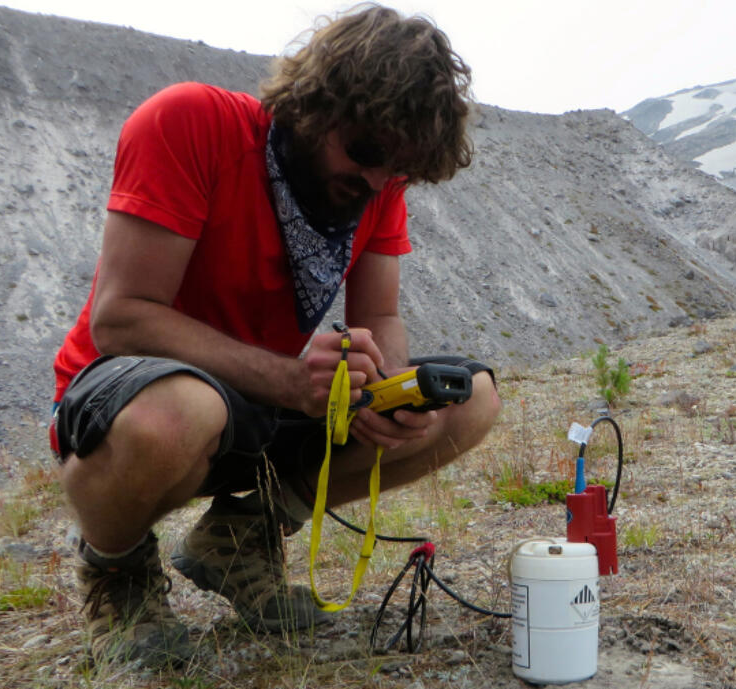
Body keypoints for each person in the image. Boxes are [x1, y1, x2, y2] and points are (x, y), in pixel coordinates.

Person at [49, 4, 500, 668]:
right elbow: (121, 318)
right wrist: (290, 381)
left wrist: (390, 397)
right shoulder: (190, 122)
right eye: (369, 151)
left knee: (466, 400)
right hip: (130, 405)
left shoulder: (374, 187)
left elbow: (381, 320)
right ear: (317, 103)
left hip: (259, 406)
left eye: (398, 168)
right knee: (182, 412)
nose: (377, 180)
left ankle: (242, 536)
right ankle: (115, 570)